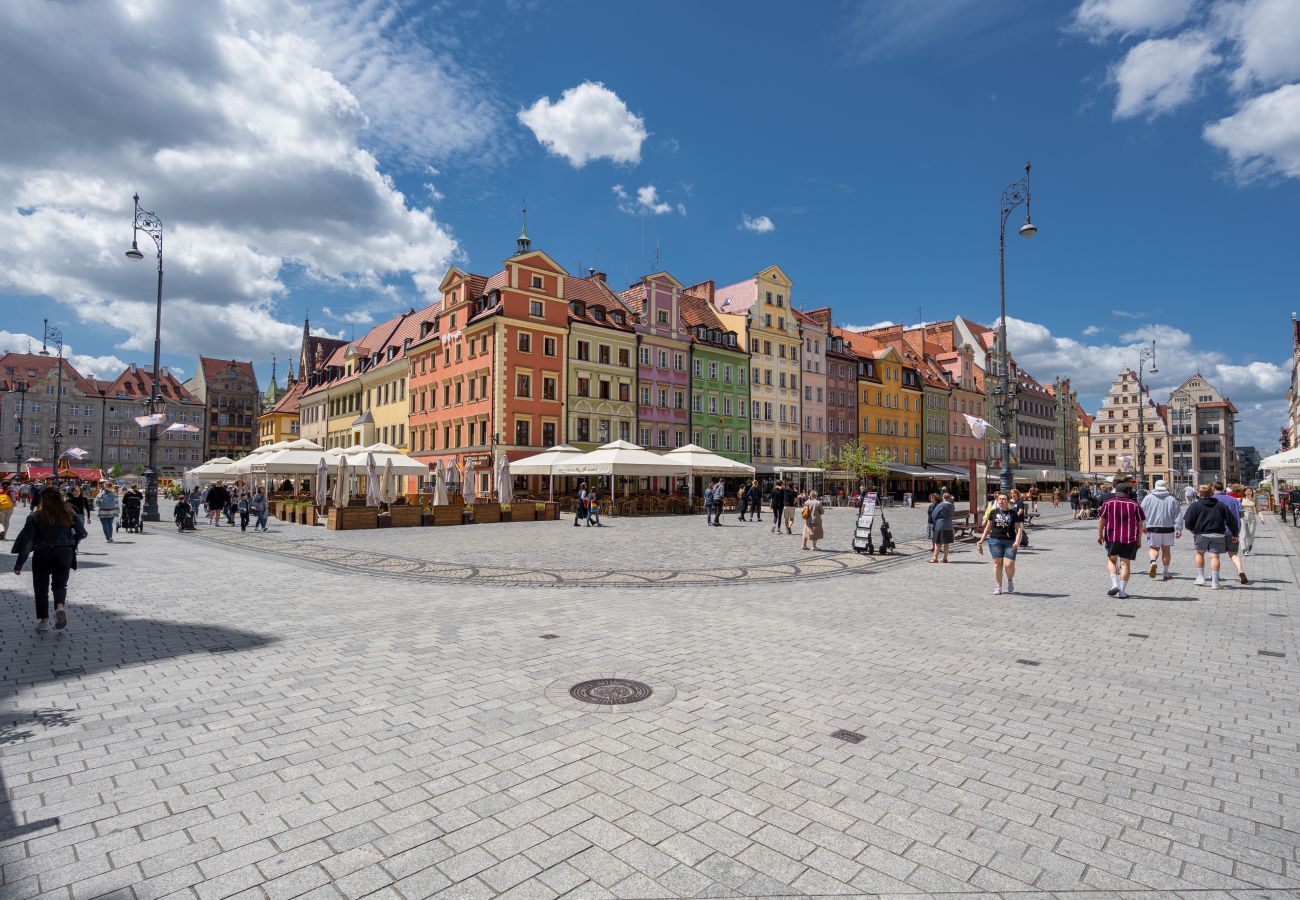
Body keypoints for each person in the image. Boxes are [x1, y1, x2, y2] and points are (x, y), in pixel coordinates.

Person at [12, 486, 87, 632]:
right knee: (60, 585)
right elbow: (82, 533)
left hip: (43, 554)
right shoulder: (68, 513)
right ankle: (59, 608)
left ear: (42, 500)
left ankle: (44, 622)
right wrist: (71, 542)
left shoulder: (35, 517)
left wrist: (19, 564)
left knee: (41, 588)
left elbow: (27, 542)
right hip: (65, 553)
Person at [1182, 483, 1238, 589]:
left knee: (1199, 554)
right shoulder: (1220, 505)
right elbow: (1231, 520)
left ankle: (1201, 577)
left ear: (1199, 494)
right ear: (1211, 492)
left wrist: (1192, 529)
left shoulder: (1195, 505)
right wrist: (1234, 533)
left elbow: (1188, 521)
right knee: (1215, 557)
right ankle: (1215, 582)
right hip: (1218, 533)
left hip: (1201, 533)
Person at [1098, 483, 1146, 599]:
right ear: (1128, 492)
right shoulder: (1135, 505)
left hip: (1112, 537)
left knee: (1111, 560)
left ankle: (1114, 584)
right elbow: (1140, 525)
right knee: (1125, 564)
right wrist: (1139, 540)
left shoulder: (1108, 503)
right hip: (1130, 538)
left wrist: (1100, 535)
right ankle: (1122, 592)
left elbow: (1101, 521)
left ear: (1116, 492)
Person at [977, 492, 1024, 595]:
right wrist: (981, 540)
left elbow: (1018, 529)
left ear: (1008, 501)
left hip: (1010, 541)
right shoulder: (993, 512)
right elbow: (988, 528)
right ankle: (998, 587)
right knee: (997, 564)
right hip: (995, 540)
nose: (1001, 501)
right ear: (997, 501)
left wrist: (1017, 541)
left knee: (1008, 564)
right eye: (1000, 499)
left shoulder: (1013, 513)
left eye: (1004, 499)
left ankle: (1010, 580)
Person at [1140, 479, 1181, 581]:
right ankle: (1165, 572)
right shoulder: (1172, 499)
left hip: (1152, 527)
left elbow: (1142, 513)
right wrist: (1178, 528)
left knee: (1154, 548)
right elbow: (1177, 515)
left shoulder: (1147, 498)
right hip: (1168, 528)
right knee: (1166, 550)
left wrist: (1143, 526)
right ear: (1165, 487)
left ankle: (1153, 561)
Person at [1211, 482, 1248, 584]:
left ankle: (1215, 576)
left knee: (1215, 555)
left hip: (1217, 531)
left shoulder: (1212, 500)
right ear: (1223, 489)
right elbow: (1242, 515)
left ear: (1213, 489)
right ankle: (1240, 570)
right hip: (1233, 531)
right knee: (1233, 554)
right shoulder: (1233, 500)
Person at [929, 492, 955, 564]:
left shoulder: (941, 505)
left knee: (937, 543)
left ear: (943, 498)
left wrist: (936, 521)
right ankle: (945, 558)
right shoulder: (952, 506)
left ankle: (935, 558)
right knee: (946, 543)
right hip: (949, 525)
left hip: (940, 525)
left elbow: (934, 514)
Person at [1240, 486, 1259, 555]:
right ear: (1244, 492)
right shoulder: (1241, 499)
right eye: (1247, 491)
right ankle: (1244, 549)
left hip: (1252, 517)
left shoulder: (1254, 500)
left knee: (1251, 534)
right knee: (1243, 534)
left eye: (1250, 491)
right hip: (1242, 517)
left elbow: (1258, 510)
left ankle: (1250, 545)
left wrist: (1262, 518)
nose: (1248, 492)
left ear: (1252, 492)